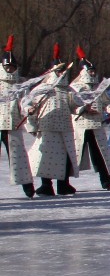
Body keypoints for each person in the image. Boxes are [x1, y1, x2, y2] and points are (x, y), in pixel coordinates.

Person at [24, 63, 78, 196]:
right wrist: (30, 116)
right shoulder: (42, 88)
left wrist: (84, 108)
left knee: (65, 157)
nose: (62, 74)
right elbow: (28, 104)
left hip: (65, 127)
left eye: (63, 72)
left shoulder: (69, 90)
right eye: (59, 72)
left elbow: (75, 106)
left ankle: (63, 184)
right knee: (47, 158)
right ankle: (46, 185)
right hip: (47, 126)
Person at [70, 58, 110, 189]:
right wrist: (82, 109)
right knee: (73, 155)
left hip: (96, 126)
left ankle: (105, 180)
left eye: (94, 71)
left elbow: (106, 105)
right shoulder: (75, 88)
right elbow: (71, 107)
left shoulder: (99, 88)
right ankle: (64, 183)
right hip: (80, 126)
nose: (93, 74)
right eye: (90, 71)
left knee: (99, 155)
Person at [0, 40, 36, 197]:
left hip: (13, 125)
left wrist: (29, 109)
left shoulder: (20, 85)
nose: (9, 69)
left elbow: (25, 101)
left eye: (12, 67)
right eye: (7, 67)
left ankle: (28, 188)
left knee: (19, 157)